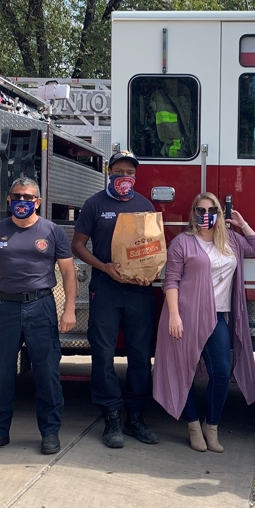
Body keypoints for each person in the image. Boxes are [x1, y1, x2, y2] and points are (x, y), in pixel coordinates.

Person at [0, 176, 77, 456]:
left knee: (47, 373)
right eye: (17, 197)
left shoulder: (52, 231)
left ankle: (50, 432)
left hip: (41, 307)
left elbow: (67, 272)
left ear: (38, 202)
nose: (22, 202)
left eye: (28, 198)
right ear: (8, 199)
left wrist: (69, 309)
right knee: (0, 374)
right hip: (4, 308)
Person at [152, 193, 255, 452]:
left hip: (217, 317)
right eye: (200, 210)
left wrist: (241, 222)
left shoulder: (231, 241)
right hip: (186, 315)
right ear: (193, 213)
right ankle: (192, 426)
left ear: (219, 213)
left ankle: (211, 426)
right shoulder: (183, 242)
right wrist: (174, 315)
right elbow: (171, 280)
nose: (206, 214)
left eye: (212, 209)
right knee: (185, 372)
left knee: (222, 373)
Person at [72, 150, 159, 449]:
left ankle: (135, 417)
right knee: (103, 353)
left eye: (130, 172)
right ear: (109, 172)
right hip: (105, 289)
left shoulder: (144, 204)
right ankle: (111, 416)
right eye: (120, 171)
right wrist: (104, 267)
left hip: (138, 290)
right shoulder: (95, 204)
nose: (125, 177)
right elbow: (78, 245)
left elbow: (152, 246)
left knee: (139, 355)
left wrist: (150, 272)